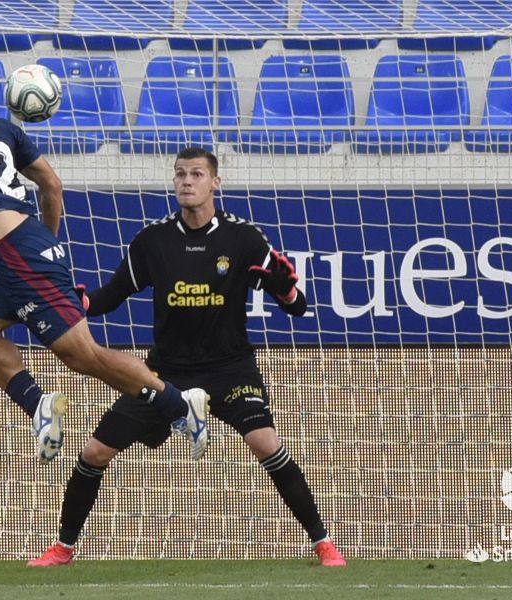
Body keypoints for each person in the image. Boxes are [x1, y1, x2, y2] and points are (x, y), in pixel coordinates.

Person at [28, 147, 346, 568]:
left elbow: (298, 306)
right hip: (165, 374)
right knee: (93, 453)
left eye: (196, 174)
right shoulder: (153, 240)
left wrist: (286, 290)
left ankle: (324, 544)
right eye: (180, 174)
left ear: (215, 182)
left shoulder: (244, 239)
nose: (186, 181)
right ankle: (63, 549)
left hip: (230, 368)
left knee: (265, 443)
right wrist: (77, 302)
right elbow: (110, 296)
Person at [0, 48, 209, 465]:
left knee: (83, 356)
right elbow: (52, 184)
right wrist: (46, 239)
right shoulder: (2, 127)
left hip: (19, 253)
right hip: (23, 249)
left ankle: (178, 402)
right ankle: (40, 404)